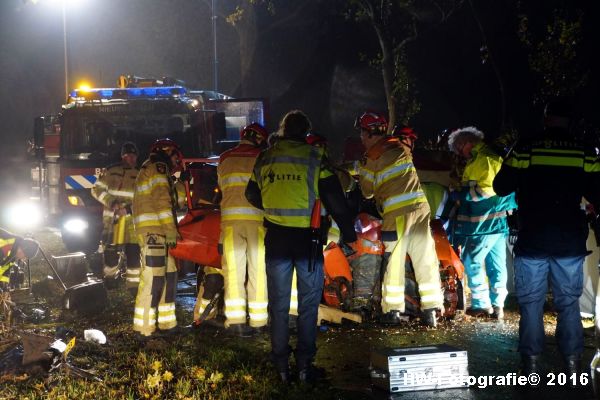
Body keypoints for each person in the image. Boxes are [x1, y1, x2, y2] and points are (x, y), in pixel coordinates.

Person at [245, 110, 357, 384]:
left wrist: (272, 207)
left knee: (279, 306)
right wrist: (348, 232)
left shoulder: (265, 157)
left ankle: (281, 369)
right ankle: (305, 367)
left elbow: (251, 193)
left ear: (282, 130)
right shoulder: (315, 158)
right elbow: (335, 200)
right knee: (308, 305)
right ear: (306, 132)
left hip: (277, 241)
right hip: (308, 242)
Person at [493, 98, 600, 378]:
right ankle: (573, 364)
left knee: (530, 304)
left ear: (546, 119)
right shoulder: (585, 152)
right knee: (569, 303)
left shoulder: (526, 147)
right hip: (569, 241)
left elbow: (500, 186)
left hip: (533, 239)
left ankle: (530, 366)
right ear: (569, 121)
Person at [354, 112, 443, 328]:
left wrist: (359, 171)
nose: (361, 138)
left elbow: (366, 192)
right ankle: (431, 310)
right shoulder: (399, 147)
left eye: (362, 133)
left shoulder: (370, 157)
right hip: (421, 210)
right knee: (425, 259)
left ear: (368, 133)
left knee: (393, 261)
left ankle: (392, 311)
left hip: (396, 214)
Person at [447, 127, 517, 320]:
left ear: (467, 142)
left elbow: (485, 191)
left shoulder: (483, 159)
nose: (461, 154)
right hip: (495, 223)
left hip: (484, 224)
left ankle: (481, 304)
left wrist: (459, 194)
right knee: (496, 265)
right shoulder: (487, 157)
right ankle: (497, 305)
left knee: (472, 260)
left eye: (460, 149)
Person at [218, 122, 269, 336]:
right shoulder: (263, 156)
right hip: (257, 221)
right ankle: (258, 322)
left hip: (230, 223)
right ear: (259, 139)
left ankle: (236, 322)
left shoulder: (225, 158)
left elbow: (222, 187)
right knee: (258, 271)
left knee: (233, 272)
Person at [132, 139, 184, 337]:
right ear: (165, 152)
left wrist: (180, 183)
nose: (175, 159)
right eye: (173, 155)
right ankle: (144, 329)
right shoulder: (158, 168)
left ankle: (166, 324)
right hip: (154, 233)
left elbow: (175, 201)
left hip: (159, 232)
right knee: (154, 280)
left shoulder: (157, 171)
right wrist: (171, 230)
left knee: (170, 277)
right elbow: (162, 202)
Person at [91, 142, 141, 292]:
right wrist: (112, 203)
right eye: (128, 156)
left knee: (134, 254)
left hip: (131, 223)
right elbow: (96, 190)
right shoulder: (111, 171)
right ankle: (110, 280)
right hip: (112, 221)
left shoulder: (140, 174)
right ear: (122, 156)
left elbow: (142, 198)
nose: (131, 159)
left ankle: (133, 285)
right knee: (111, 253)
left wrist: (128, 209)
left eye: (133, 156)